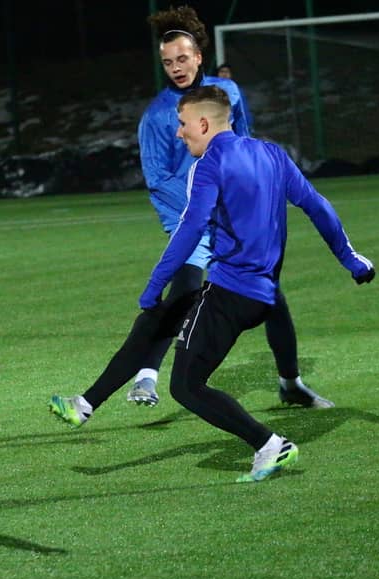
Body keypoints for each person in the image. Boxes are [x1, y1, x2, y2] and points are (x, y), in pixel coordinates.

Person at [49, 6, 320, 429]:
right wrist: (202, 210)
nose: (175, 68)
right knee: (177, 300)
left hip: (232, 220)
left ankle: (290, 382)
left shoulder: (227, 93)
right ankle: (94, 398)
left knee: (271, 297)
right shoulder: (157, 116)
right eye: (167, 62)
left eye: (182, 59)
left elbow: (245, 145)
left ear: (198, 57)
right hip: (189, 220)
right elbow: (158, 180)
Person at [149, 86, 373, 482]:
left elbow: (190, 229)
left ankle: (269, 443)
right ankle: (291, 385)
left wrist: (155, 288)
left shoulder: (209, 164)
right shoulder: (272, 154)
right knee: (200, 372)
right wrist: (350, 259)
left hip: (228, 293)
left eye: (183, 124)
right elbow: (316, 205)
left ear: (204, 124)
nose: (180, 133)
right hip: (266, 298)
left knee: (185, 386)